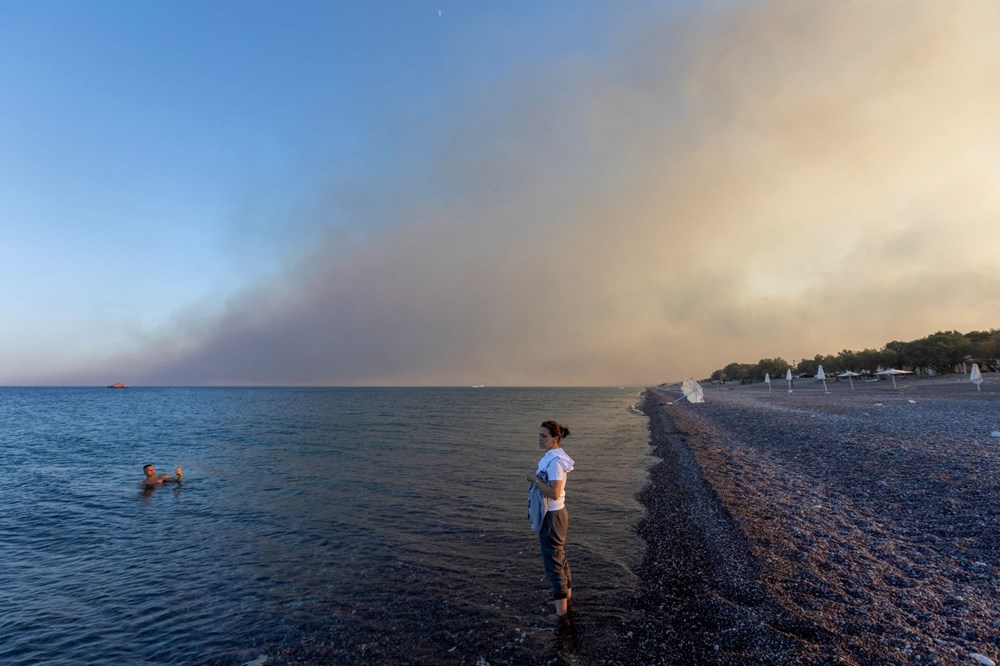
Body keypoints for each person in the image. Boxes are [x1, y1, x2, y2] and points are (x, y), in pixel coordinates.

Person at [526, 420, 575, 619]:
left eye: (543, 436)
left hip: (552, 517)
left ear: (555, 439)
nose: (539, 439)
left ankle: (561, 614)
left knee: (553, 562)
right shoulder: (556, 457)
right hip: (557, 515)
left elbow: (554, 492)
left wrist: (534, 479)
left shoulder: (555, 462)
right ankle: (565, 598)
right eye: (538, 435)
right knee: (559, 556)